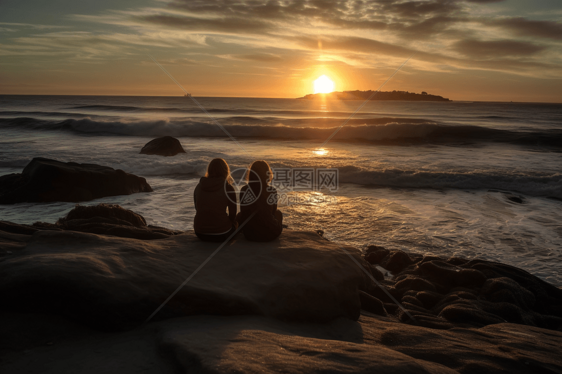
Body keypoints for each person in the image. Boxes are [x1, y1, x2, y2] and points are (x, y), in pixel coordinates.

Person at [236, 160, 283, 241]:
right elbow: (273, 212)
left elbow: (244, 212)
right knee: (278, 213)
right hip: (271, 234)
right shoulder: (271, 190)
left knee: (239, 215)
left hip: (250, 235)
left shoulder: (244, 189)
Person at [193, 158, 238, 242]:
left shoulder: (199, 186)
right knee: (237, 222)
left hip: (200, 232)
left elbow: (197, 208)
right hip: (221, 234)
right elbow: (232, 215)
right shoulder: (228, 188)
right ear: (225, 171)